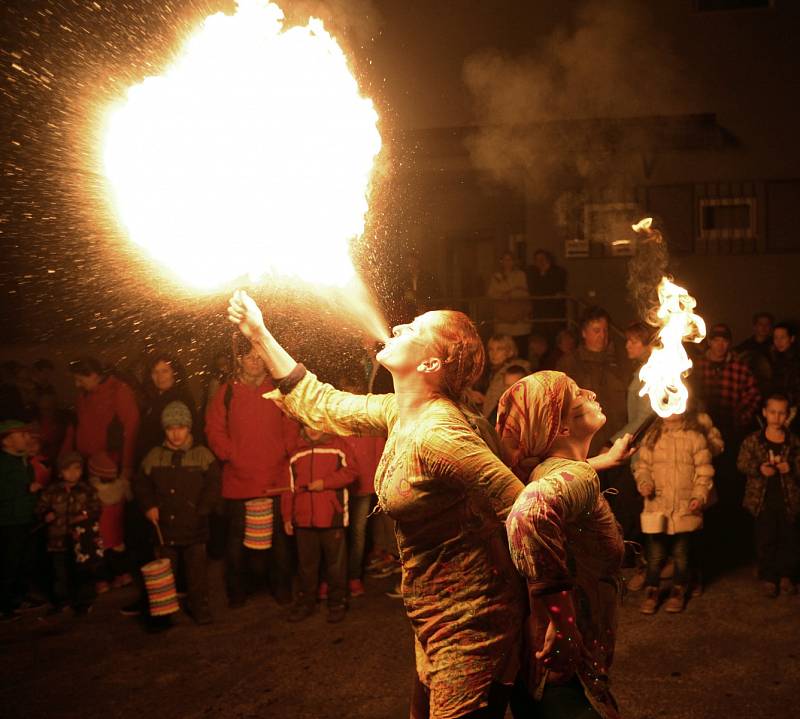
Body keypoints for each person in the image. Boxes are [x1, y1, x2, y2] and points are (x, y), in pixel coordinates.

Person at [228, 289, 527, 719]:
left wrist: (554, 608)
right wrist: (258, 332)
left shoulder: (439, 434)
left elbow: (526, 507)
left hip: (473, 619)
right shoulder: (400, 411)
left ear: (430, 364)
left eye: (417, 328)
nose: (401, 326)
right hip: (433, 616)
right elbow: (321, 402)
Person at [498, 372, 625, 719]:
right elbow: (528, 515)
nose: (591, 390)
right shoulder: (577, 477)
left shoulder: (547, 469)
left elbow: (562, 476)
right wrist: (563, 622)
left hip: (539, 666)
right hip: (559, 669)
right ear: (562, 429)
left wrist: (602, 461)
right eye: (577, 395)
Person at [205, 342, 299, 608]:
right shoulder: (227, 392)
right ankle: (236, 592)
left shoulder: (278, 390)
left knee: (280, 538)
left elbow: (292, 422)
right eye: (249, 357)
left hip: (275, 476)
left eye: (259, 357)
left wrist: (284, 449)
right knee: (236, 539)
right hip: (239, 477)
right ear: (240, 360)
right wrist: (229, 454)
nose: (255, 362)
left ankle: (281, 589)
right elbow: (214, 427)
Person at [136, 401, 221, 624]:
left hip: (195, 527)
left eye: (181, 427)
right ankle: (163, 613)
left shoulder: (202, 455)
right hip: (165, 526)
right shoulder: (154, 456)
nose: (176, 434)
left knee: (196, 573)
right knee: (166, 572)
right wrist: (149, 506)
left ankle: (198, 606)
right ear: (165, 430)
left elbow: (213, 485)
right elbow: (141, 484)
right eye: (170, 428)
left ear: (189, 428)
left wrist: (203, 509)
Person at [634, 409, 716, 614]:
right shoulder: (652, 437)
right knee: (655, 555)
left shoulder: (695, 437)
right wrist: (644, 482)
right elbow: (642, 467)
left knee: (681, 554)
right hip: (657, 507)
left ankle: (678, 590)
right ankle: (653, 591)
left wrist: (698, 496)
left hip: (684, 508)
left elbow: (704, 472)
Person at [283, 425, 357, 623]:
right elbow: (288, 488)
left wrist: (325, 483)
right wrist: (287, 517)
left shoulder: (338, 445)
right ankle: (307, 603)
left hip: (332, 517)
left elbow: (352, 471)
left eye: (316, 423)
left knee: (336, 565)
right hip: (303, 520)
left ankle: (337, 603)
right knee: (306, 566)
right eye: (307, 424)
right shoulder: (296, 452)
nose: (312, 429)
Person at [737, 394, 800, 597]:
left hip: (788, 500)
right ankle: (769, 577)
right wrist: (759, 468)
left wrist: (791, 466)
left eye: (782, 413)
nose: (776, 417)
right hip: (761, 501)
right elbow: (742, 463)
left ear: (788, 415)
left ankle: (786, 576)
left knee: (788, 539)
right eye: (772, 412)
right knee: (766, 539)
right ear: (764, 413)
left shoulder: (794, 442)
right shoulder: (754, 440)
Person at [37, 452, 103, 615]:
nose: (73, 473)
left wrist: (85, 515)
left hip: (81, 540)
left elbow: (97, 508)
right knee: (60, 572)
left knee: (83, 571)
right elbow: (40, 507)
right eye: (68, 469)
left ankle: (84, 601)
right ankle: (62, 600)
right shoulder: (52, 490)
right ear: (60, 472)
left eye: (77, 468)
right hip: (58, 540)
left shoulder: (87, 489)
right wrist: (46, 514)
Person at [557, 307, 628, 455]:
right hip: (585, 448)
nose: (602, 336)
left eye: (605, 330)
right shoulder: (569, 364)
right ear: (584, 333)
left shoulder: (620, 363)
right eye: (596, 331)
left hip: (617, 443)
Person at [61, 357, 140, 483]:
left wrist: (127, 466)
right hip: (84, 465)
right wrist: (65, 456)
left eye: (80, 380)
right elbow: (76, 427)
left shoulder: (119, 391)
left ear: (94, 375)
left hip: (108, 467)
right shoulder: (83, 395)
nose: (77, 384)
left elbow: (131, 430)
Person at [0, 420, 40, 621]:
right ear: (7, 440)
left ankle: (19, 597)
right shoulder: (4, 463)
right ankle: (4, 604)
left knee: (25, 559)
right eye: (21, 435)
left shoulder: (23, 461)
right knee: (9, 562)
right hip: (9, 521)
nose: (27, 438)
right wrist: (26, 490)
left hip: (25, 518)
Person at [135, 352, 198, 465]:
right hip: (148, 464)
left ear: (174, 373)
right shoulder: (149, 399)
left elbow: (193, 434)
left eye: (165, 371)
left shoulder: (183, 400)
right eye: (155, 372)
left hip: (168, 465)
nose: (160, 377)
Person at [87, 451, 133, 593]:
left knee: (100, 556)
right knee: (118, 553)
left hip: (100, 530)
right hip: (117, 528)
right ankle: (123, 576)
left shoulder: (92, 489)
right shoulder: (122, 485)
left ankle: (102, 582)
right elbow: (131, 499)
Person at [471, 335, 531, 422]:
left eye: (499, 349)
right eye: (491, 349)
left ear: (510, 351)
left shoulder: (515, 371)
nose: (494, 353)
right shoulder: (493, 371)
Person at [487, 252, 532, 360]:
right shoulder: (496, 276)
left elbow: (524, 292)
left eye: (510, 259)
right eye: (505, 260)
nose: (507, 262)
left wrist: (510, 294)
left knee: (520, 348)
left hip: (519, 319)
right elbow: (491, 293)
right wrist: (502, 295)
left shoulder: (520, 275)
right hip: (503, 319)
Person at [526, 249, 567, 343]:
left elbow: (555, 289)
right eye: (537, 260)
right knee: (540, 340)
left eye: (542, 259)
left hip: (554, 314)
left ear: (548, 259)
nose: (540, 262)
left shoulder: (558, 272)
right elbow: (533, 290)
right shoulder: (533, 273)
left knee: (555, 339)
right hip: (539, 315)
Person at [734, 312, 774, 394]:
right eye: (760, 324)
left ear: (770, 327)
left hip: (770, 388)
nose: (764, 327)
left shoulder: (775, 346)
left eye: (767, 324)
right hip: (749, 388)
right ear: (755, 326)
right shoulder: (745, 346)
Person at [768, 322, 800, 415]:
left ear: (792, 338)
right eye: (776, 338)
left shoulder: (796, 361)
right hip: (777, 406)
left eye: (782, 337)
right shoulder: (773, 358)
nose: (779, 341)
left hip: (792, 409)